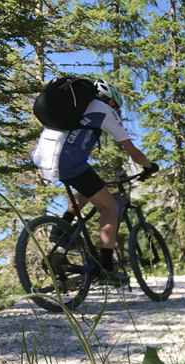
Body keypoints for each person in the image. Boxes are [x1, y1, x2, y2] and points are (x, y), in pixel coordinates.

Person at [31, 79, 158, 285]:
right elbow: (131, 149)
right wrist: (149, 166)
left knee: (88, 190)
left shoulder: (70, 110)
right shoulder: (103, 109)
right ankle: (107, 269)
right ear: (110, 100)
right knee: (110, 207)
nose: (116, 110)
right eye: (116, 105)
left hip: (43, 159)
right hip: (67, 161)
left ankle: (61, 232)